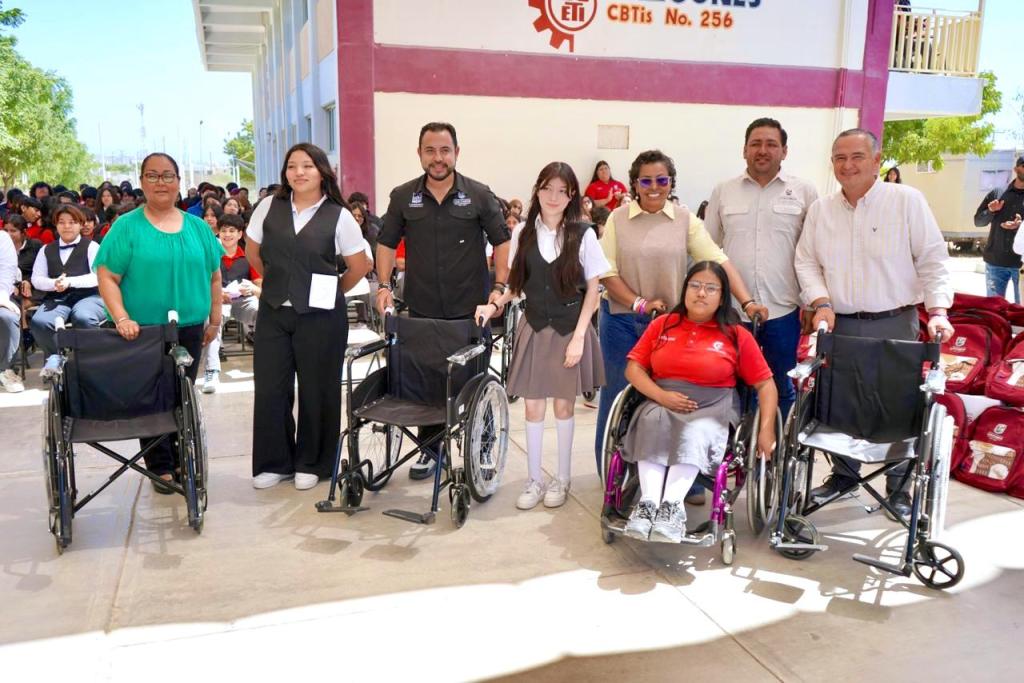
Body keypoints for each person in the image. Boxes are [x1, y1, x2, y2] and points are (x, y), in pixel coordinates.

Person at [795, 128, 954, 520]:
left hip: (894, 322)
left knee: (897, 405)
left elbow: (933, 259)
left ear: (877, 160)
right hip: (841, 325)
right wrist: (821, 302)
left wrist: (938, 310)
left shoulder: (906, 201)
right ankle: (844, 476)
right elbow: (806, 261)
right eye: (840, 158)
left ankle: (898, 489)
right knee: (839, 403)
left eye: (857, 156)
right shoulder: (821, 210)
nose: (847, 165)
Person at [595, 149, 767, 508]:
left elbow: (717, 261)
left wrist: (748, 302)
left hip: (669, 325)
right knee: (618, 398)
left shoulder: (684, 220)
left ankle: (688, 479)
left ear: (671, 182)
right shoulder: (617, 219)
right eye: (646, 180)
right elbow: (606, 271)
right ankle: (614, 478)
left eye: (662, 180)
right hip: (624, 320)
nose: (654, 187)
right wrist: (639, 303)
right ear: (634, 184)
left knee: (679, 396)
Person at [375, 122, 510, 480]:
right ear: (419, 154)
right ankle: (430, 450)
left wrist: (499, 286)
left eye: (445, 150)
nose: (438, 158)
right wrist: (383, 285)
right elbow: (386, 243)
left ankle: (482, 447)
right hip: (422, 309)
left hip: (471, 312)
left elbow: (502, 240)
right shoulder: (403, 197)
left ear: (456, 153)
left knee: (475, 380)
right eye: (430, 150)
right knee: (427, 382)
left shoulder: (479, 195)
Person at [475, 162, 608, 510]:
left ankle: (562, 477)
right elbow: (516, 284)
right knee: (533, 407)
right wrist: (494, 304)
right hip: (534, 326)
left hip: (569, 328)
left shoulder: (584, 233)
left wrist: (579, 337)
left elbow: (594, 290)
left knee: (564, 406)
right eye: (547, 188)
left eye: (562, 191)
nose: (553, 197)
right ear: (537, 190)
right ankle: (534, 479)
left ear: (572, 195)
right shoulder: (523, 231)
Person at [94, 152, 225, 494]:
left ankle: (182, 458)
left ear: (179, 182)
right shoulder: (127, 227)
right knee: (153, 400)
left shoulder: (198, 227)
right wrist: (121, 318)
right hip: (142, 331)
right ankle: (161, 466)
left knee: (182, 396)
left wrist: (215, 318)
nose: (161, 182)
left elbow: (214, 276)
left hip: (191, 327)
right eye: (152, 176)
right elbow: (107, 276)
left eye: (168, 175)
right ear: (142, 182)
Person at [245, 143, 372, 491]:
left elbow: (359, 266)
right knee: (271, 388)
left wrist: (332, 291)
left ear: (321, 171)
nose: (298, 172)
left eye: (307, 166)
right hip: (274, 312)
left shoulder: (339, 215)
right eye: (292, 166)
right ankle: (274, 463)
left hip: (321, 317)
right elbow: (253, 253)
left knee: (318, 389)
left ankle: (312, 462)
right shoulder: (269, 206)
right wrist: (280, 282)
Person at [621, 261, 777, 542]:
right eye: (695, 285)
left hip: (712, 404)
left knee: (695, 430)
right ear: (685, 290)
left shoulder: (736, 334)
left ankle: (672, 507)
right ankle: (648, 505)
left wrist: (766, 430)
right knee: (650, 421)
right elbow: (633, 369)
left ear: (722, 296)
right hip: (661, 397)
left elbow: (765, 385)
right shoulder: (663, 324)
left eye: (710, 288)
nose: (701, 293)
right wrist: (661, 396)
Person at [704, 117, 819, 420]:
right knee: (734, 385)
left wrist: (811, 303)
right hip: (732, 311)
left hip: (784, 310)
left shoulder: (805, 192)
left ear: (784, 151)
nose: (763, 150)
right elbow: (709, 249)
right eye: (755, 144)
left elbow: (813, 253)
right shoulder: (724, 191)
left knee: (781, 384)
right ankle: (738, 443)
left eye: (771, 144)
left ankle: (775, 444)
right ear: (744, 150)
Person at [29, 205, 106, 356]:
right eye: (62, 222)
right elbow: (36, 279)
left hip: (89, 297)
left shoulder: (92, 246)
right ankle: (55, 359)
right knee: (40, 322)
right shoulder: (46, 249)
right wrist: (54, 283)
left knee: (83, 317)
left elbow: (97, 276)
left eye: (72, 222)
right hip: (57, 299)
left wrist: (69, 282)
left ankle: (91, 360)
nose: (67, 226)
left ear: (81, 224)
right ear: (56, 225)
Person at [202, 213, 261, 394]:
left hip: (243, 300)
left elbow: (259, 284)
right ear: (218, 233)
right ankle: (211, 370)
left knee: (263, 313)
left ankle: (267, 365)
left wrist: (252, 287)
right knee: (213, 320)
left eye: (232, 231)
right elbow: (202, 282)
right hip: (218, 301)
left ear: (240, 234)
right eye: (223, 231)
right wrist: (217, 293)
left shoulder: (248, 256)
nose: (227, 235)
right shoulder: (211, 255)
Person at [979, 155, 1024, 301]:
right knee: (993, 308)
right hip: (996, 261)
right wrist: (990, 211)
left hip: (1021, 264)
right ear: (1016, 169)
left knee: (1021, 308)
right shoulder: (998, 193)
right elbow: (978, 221)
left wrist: (1020, 226)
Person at [0, 229, 23, 392]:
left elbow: (7, 272)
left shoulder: (2, 238)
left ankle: (5, 370)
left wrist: (1, 297)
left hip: (1, 296)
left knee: (7, 317)